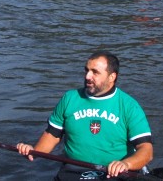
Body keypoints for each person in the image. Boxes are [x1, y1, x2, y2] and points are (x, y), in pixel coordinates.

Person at [16, 51, 153, 180]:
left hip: (115, 173)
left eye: (95, 72)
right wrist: (33, 151)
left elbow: (146, 150)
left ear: (112, 77)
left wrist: (126, 164)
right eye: (87, 70)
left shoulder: (129, 106)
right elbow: (52, 135)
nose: (87, 76)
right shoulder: (69, 99)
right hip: (74, 170)